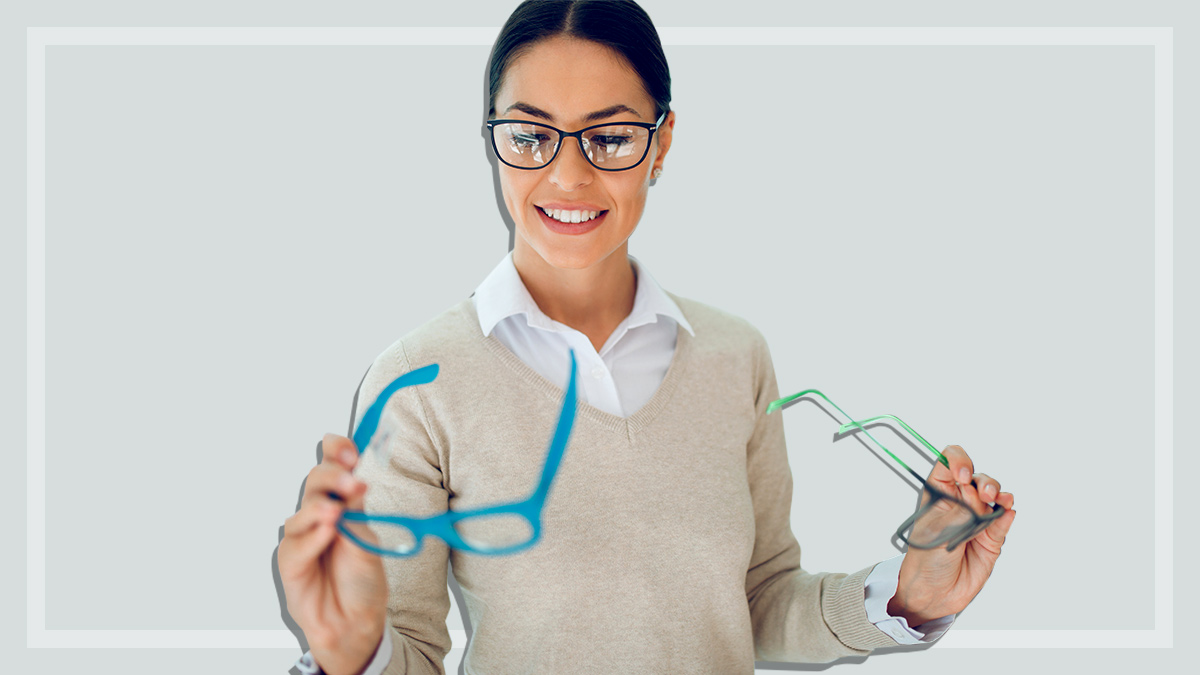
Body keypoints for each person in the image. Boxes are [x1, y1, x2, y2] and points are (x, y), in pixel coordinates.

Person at [277, 1, 1017, 673]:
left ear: (661, 144)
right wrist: (354, 650)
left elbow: (758, 601)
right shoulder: (420, 379)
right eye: (530, 136)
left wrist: (907, 596)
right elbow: (406, 646)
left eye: (611, 137)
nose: (568, 175)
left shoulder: (735, 356)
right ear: (492, 139)